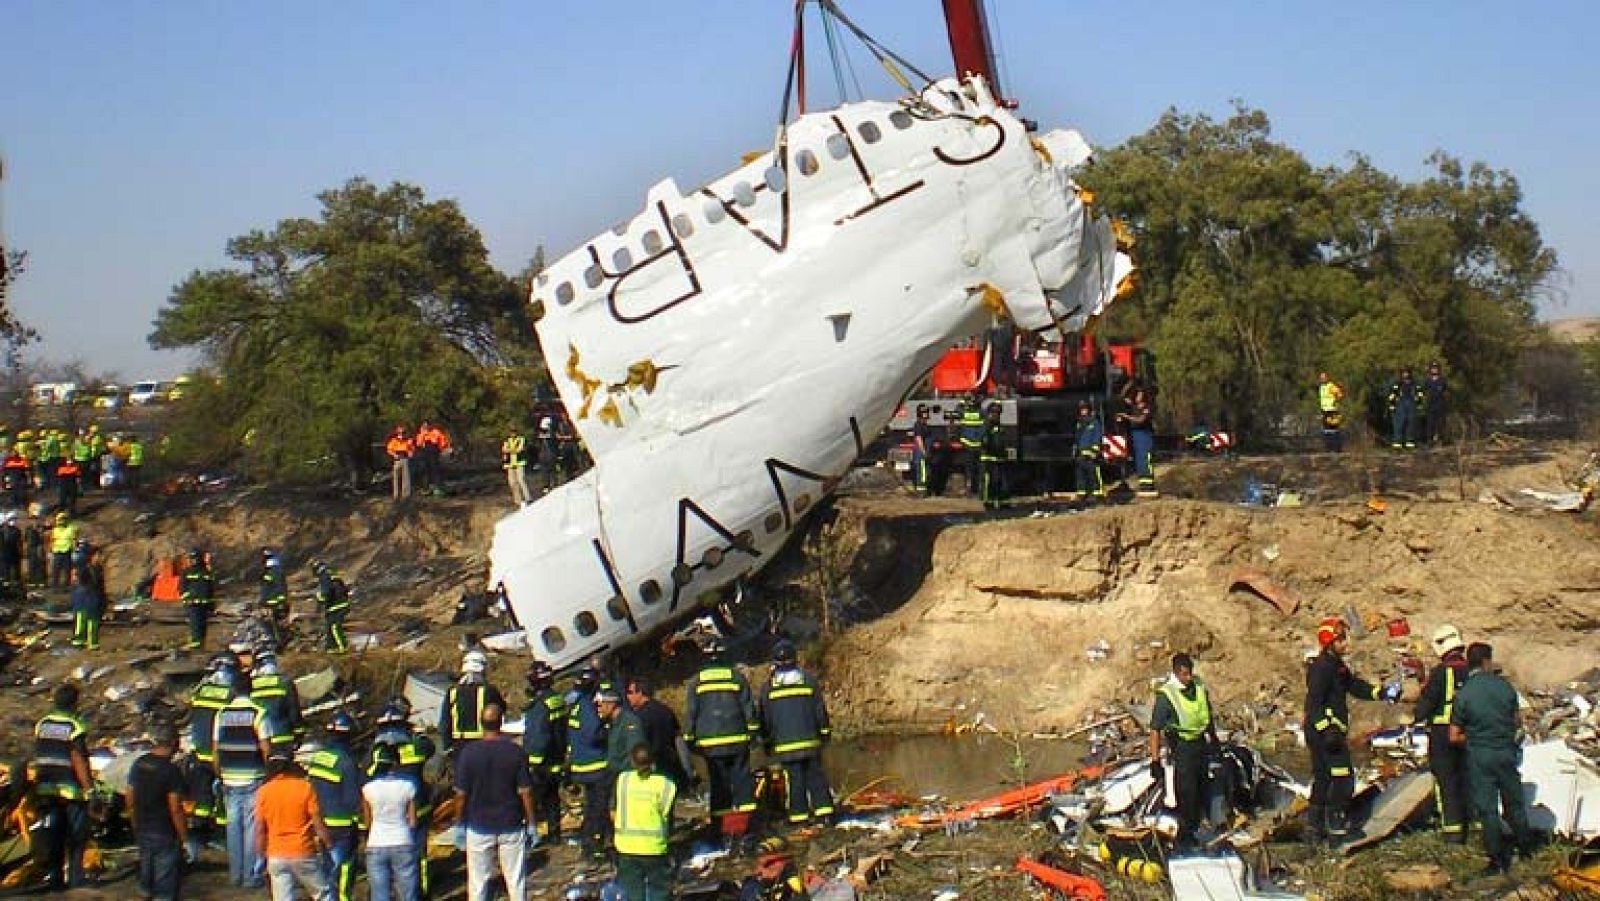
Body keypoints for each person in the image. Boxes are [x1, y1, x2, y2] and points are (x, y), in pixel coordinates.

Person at [1304, 616, 1401, 844]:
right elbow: (1314, 704)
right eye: (1340, 640)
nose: (1345, 643)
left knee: (1324, 778)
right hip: (1324, 734)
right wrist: (1327, 730)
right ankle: (1337, 827)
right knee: (1342, 778)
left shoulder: (1337, 666)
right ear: (1330, 643)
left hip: (1329, 732)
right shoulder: (1321, 668)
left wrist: (1380, 692)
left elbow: (1354, 686)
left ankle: (1314, 828)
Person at [1450, 642, 1536, 875]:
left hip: (1480, 756)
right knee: (1514, 804)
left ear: (1469, 663)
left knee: (1487, 809)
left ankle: (1497, 861)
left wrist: (1474, 737)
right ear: (1487, 661)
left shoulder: (1464, 693)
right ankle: (1526, 849)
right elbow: (1516, 722)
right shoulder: (1505, 687)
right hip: (1506, 752)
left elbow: (1454, 735)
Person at [452, 703, 535, 901]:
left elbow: (460, 794)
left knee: (478, 882)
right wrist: (532, 822)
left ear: (481, 723)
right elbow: (525, 791)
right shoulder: (515, 752)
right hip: (511, 823)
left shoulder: (469, 753)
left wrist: (459, 822)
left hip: (478, 825)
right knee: (515, 880)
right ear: (501, 722)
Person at [685, 639, 760, 843]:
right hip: (738, 741)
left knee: (719, 786)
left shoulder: (696, 682)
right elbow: (748, 709)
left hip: (710, 745)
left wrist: (690, 739)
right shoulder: (737, 678)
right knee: (743, 783)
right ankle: (748, 828)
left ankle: (721, 829)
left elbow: (691, 713)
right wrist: (753, 733)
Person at [759, 638, 835, 825]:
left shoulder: (769, 688)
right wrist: (824, 733)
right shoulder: (808, 681)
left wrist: (767, 742)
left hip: (785, 746)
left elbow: (765, 718)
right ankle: (825, 813)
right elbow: (819, 711)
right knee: (816, 777)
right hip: (810, 743)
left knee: (794, 781)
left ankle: (798, 817)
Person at [1148, 653, 1219, 849]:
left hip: (1200, 745)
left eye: (1189, 673)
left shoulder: (1198, 686)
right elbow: (1155, 729)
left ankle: (1200, 829)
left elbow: (1206, 714)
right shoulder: (1167, 695)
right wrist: (1155, 760)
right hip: (1182, 747)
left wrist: (1214, 739)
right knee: (1187, 792)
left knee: (1203, 787)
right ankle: (1184, 838)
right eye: (1184, 674)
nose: (1188, 678)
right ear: (1176, 672)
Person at [370, 699, 436, 899]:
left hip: (388, 812)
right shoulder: (416, 745)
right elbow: (430, 747)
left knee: (388, 861)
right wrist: (419, 733)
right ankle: (421, 892)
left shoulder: (377, 750)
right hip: (418, 807)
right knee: (418, 855)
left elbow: (367, 777)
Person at [214, 674, 274, 888]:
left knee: (233, 827)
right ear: (251, 690)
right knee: (251, 828)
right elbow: (266, 749)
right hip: (253, 777)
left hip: (229, 778)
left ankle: (235, 874)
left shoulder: (222, 713)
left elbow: (215, 749)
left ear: (233, 690)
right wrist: (270, 773)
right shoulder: (259, 713)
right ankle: (250, 875)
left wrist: (219, 774)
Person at [32, 684, 94, 889]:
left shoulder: (42, 724)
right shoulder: (74, 726)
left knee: (54, 834)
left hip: (46, 787)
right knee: (76, 835)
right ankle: (75, 878)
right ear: (74, 703)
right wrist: (90, 789)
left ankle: (55, 879)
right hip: (71, 788)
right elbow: (78, 759)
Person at [1414, 623, 1470, 843]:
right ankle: (1475, 826)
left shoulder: (1440, 672)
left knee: (1446, 782)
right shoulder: (1471, 670)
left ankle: (1453, 832)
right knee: (1467, 777)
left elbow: (1427, 703)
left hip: (1441, 734)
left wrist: (1415, 715)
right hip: (1467, 733)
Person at [256, 754, 333, 901]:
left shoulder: (264, 791)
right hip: (303, 850)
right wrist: (328, 843)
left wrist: (260, 855)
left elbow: (260, 829)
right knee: (322, 894)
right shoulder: (304, 787)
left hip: (276, 854)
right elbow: (317, 822)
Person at [126, 722, 190, 901]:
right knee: (164, 886)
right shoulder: (171, 770)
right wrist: (185, 838)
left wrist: (134, 822)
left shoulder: (139, 763)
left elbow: (129, 796)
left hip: (143, 827)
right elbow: (175, 808)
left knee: (146, 877)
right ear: (173, 742)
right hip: (164, 831)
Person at [186, 653, 238, 859]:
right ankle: (222, 836)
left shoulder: (201, 691)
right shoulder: (231, 693)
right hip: (221, 754)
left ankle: (198, 837)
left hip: (200, 754)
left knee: (202, 799)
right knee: (224, 798)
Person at [306, 713, 363, 901]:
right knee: (343, 866)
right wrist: (361, 824)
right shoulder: (347, 762)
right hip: (342, 825)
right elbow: (352, 799)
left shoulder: (318, 757)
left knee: (326, 865)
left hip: (320, 821)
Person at [613, 744, 677, 901]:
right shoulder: (666, 785)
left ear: (632, 761)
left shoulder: (623, 780)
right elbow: (665, 812)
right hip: (654, 848)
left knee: (632, 893)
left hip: (626, 847)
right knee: (660, 891)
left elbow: (614, 809)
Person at [362, 743, 419, 901]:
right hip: (402, 840)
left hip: (376, 842)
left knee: (379, 894)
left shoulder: (368, 789)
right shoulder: (408, 786)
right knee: (408, 894)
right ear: (395, 764)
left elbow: (367, 821)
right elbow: (413, 821)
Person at [521, 660, 567, 846]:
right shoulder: (557, 699)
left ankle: (529, 836)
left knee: (533, 799)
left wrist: (532, 761)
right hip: (556, 758)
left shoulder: (540, 704)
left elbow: (539, 734)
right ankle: (555, 834)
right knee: (552, 798)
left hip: (541, 763)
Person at [568, 668, 612, 860]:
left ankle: (596, 841)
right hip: (595, 766)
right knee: (598, 809)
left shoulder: (577, 705)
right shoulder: (587, 707)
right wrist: (608, 731)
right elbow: (594, 734)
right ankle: (593, 846)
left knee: (592, 807)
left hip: (582, 766)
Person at [627, 676, 692, 793]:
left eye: (630, 692)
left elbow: (637, 743)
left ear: (640, 693)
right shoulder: (666, 710)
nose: (628, 696)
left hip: (649, 766)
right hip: (669, 764)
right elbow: (677, 738)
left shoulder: (638, 717)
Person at [438, 650, 504, 755]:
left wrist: (447, 746)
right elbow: (500, 711)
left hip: (458, 745)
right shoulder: (489, 690)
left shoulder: (452, 691)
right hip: (483, 744)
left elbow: (444, 722)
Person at [252, 650, 306, 753]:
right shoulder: (285, 682)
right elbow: (293, 711)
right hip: (284, 738)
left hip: (261, 739)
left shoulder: (251, 685)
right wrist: (299, 732)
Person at [1118, 382, 1158, 497]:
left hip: (1144, 436)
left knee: (1145, 460)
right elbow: (1122, 397)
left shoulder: (1147, 407)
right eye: (1137, 393)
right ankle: (1143, 483)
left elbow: (1140, 420)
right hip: (1136, 436)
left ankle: (1149, 484)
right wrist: (1129, 384)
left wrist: (1126, 417)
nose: (1137, 395)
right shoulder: (1134, 406)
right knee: (1139, 461)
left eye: (1140, 393)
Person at [68, 543, 105, 650]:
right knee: (82, 619)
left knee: (92, 621)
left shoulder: (97, 569)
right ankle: (80, 640)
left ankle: (91, 642)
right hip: (84, 598)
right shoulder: (84, 569)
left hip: (93, 598)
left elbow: (100, 586)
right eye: (97, 555)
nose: (99, 558)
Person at [312, 560, 353, 654]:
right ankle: (330, 648)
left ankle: (342, 647)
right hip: (339, 605)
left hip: (336, 606)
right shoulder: (333, 575)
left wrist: (319, 597)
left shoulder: (324, 576)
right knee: (329, 628)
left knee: (334, 627)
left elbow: (327, 592)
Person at [180, 548, 216, 649]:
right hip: (193, 605)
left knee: (203, 628)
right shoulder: (187, 572)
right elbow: (182, 588)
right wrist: (187, 600)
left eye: (196, 558)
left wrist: (212, 606)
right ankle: (195, 648)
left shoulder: (207, 573)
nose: (194, 560)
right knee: (195, 627)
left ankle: (201, 647)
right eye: (192, 558)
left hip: (205, 605)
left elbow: (211, 589)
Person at [1072, 400, 1105, 504]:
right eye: (1082, 409)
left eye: (1085, 409)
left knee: (1094, 474)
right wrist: (1075, 449)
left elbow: (1097, 436)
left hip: (1091, 454)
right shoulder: (1079, 423)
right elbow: (1077, 437)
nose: (1083, 411)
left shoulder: (1094, 422)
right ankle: (1082, 493)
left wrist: (1095, 450)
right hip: (1081, 453)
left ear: (1089, 410)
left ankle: (1098, 494)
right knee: (1080, 474)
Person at [977, 402, 1006, 510]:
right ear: (989, 413)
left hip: (998, 458)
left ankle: (997, 501)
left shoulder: (999, 426)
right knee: (987, 481)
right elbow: (983, 440)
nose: (996, 415)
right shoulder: (986, 425)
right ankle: (987, 502)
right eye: (994, 412)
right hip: (987, 459)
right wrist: (987, 444)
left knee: (998, 481)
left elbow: (1001, 440)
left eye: (998, 413)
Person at [259, 548, 290, 648]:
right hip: (278, 602)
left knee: (269, 624)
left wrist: (263, 602)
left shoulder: (271, 572)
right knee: (277, 625)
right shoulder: (277, 571)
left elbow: (268, 589)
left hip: (273, 603)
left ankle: (276, 643)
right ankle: (281, 642)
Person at [955, 395, 984, 497]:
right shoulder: (981, 413)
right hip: (979, 444)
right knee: (979, 469)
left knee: (969, 468)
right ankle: (980, 489)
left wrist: (962, 401)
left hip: (968, 445)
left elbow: (957, 410)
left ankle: (969, 488)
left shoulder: (965, 413)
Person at [1386, 368, 1420, 450]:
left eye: (1407, 373)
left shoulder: (1414, 384)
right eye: (1404, 373)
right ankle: (1398, 442)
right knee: (1399, 423)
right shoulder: (1398, 384)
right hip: (1400, 405)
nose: (1405, 374)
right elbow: (1392, 394)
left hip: (1411, 405)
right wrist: (1391, 405)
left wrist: (1419, 404)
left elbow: (1420, 394)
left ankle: (1409, 442)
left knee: (1410, 423)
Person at [501, 428, 531, 507]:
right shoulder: (507, 441)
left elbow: (519, 449)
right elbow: (504, 450)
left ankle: (528, 498)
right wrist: (511, 450)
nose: (512, 434)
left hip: (519, 463)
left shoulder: (521, 439)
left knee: (521, 480)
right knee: (512, 483)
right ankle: (518, 501)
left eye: (514, 432)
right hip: (510, 464)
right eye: (511, 432)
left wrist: (509, 450)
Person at [1317, 372, 1344, 453]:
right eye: (1321, 378)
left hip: (1332, 410)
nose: (1322, 379)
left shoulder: (1331, 386)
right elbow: (1322, 400)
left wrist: (1335, 402)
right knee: (1326, 430)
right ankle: (1329, 448)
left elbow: (1339, 394)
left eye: (1324, 377)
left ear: (1327, 378)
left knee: (1333, 429)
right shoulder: (1321, 387)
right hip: (1324, 411)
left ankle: (1336, 449)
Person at [50, 510, 77, 589]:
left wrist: (74, 550)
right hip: (57, 552)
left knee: (67, 570)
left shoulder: (71, 528)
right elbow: (52, 540)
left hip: (67, 551)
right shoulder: (55, 529)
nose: (61, 521)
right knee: (56, 570)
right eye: (59, 519)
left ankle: (66, 586)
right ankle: (55, 586)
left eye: (63, 519)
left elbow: (74, 539)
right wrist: (50, 551)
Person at [1423, 361, 1448, 445]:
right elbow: (1424, 391)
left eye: (1436, 368)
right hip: (1430, 405)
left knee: (1441, 423)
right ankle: (1429, 440)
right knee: (1430, 423)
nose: (1434, 370)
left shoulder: (1442, 380)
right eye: (1433, 368)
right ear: (1430, 369)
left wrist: (1444, 399)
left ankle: (1441, 439)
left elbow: (1446, 391)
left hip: (1440, 404)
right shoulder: (1427, 380)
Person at [386, 425, 413, 500]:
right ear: (397, 432)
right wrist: (394, 455)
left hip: (405, 458)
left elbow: (411, 450)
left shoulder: (408, 440)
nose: (401, 434)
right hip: (397, 459)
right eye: (399, 432)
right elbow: (389, 450)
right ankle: (396, 494)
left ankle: (406, 495)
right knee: (395, 477)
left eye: (403, 432)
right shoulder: (393, 440)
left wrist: (410, 452)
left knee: (406, 476)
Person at [909, 405, 932, 494]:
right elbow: (919, 438)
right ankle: (921, 490)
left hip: (925, 451)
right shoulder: (918, 425)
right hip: (921, 452)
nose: (926, 414)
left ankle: (923, 489)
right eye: (924, 413)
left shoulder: (925, 425)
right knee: (922, 472)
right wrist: (923, 451)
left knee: (925, 471)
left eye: (926, 412)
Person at [24, 515, 46, 587]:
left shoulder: (41, 528)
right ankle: (32, 582)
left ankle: (41, 582)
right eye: (32, 520)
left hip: (38, 548)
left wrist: (37, 530)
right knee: (31, 565)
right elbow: (26, 540)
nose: (33, 521)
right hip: (30, 549)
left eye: (35, 520)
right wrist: (26, 549)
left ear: (37, 520)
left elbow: (42, 539)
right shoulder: (27, 529)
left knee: (40, 565)